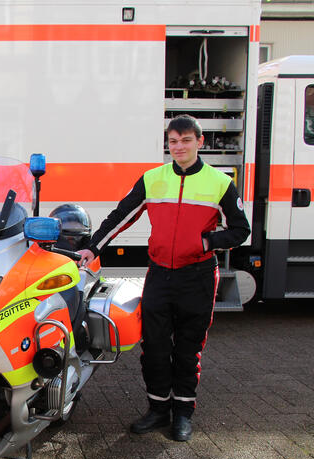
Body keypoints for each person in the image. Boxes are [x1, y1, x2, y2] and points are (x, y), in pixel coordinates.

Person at [76, 115, 250, 441]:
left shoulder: (220, 183)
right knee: (154, 347)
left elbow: (241, 229)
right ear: (167, 144)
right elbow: (120, 216)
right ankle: (157, 409)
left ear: (200, 142)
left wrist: (206, 242)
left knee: (187, 349)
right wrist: (93, 248)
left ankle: (183, 413)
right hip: (159, 275)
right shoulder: (153, 179)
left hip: (197, 276)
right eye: (173, 141)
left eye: (185, 140)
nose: (179, 147)